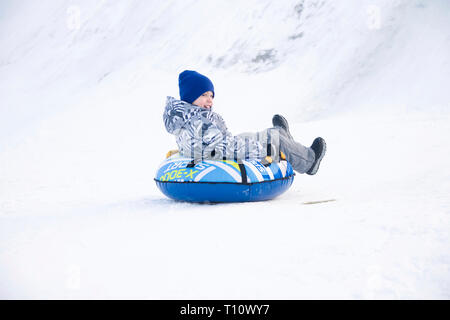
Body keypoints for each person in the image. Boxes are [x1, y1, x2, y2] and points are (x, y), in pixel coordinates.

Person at [163, 70, 326, 175]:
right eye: (204, 95)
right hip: (226, 154)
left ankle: (280, 133)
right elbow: (221, 150)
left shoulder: (186, 117)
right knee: (274, 142)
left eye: (211, 96)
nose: (209, 100)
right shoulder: (199, 122)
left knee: (255, 135)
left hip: (223, 145)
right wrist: (260, 149)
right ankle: (310, 161)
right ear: (190, 97)